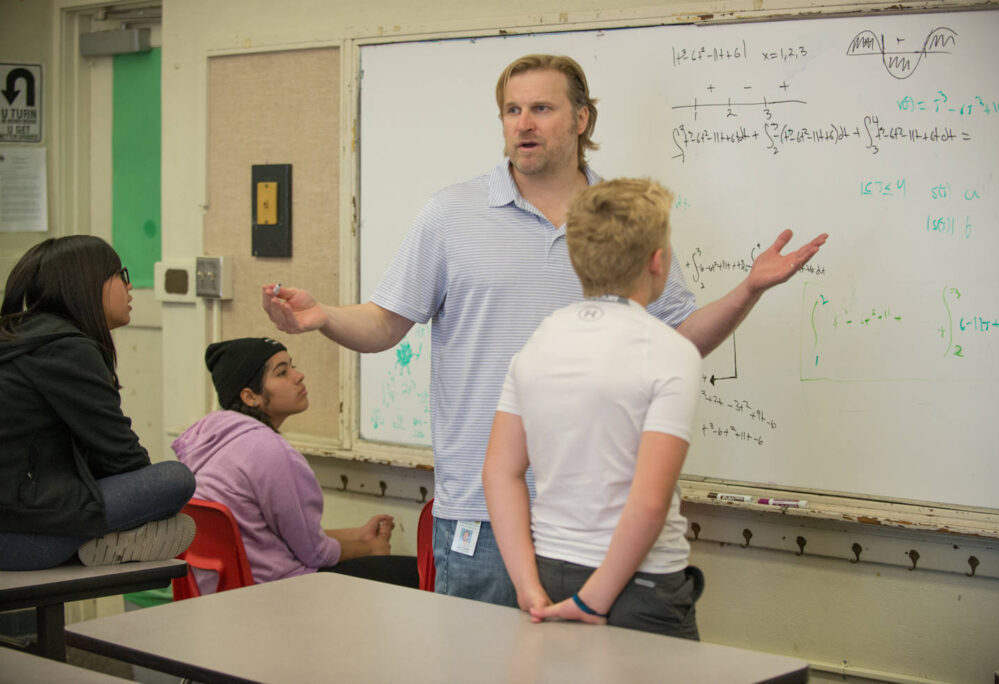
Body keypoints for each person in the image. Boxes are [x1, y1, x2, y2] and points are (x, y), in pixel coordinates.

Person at [261, 54, 827, 606]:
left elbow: (676, 340)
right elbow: (385, 324)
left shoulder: (620, 217)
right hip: (481, 516)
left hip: (599, 517)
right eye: (511, 110)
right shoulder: (451, 213)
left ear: (581, 119)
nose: (523, 123)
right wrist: (323, 316)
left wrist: (749, 289)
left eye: (541, 108)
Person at [484, 177, 703, 639]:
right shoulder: (669, 349)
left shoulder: (540, 339)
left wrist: (527, 585)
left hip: (548, 573)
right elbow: (648, 502)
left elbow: (499, 473)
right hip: (639, 588)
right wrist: (593, 600)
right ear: (657, 261)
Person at [0, 236, 196, 571]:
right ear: (87, 285)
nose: (130, 286)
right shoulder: (65, 348)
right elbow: (122, 457)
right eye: (120, 274)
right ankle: (98, 542)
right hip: (20, 540)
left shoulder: (21, 337)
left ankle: (103, 540)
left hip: (20, 523)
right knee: (175, 480)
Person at [172, 337, 418, 593]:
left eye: (293, 366)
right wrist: (370, 549)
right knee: (418, 575)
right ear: (250, 396)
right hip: (276, 595)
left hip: (220, 593)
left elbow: (280, 538)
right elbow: (315, 555)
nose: (298, 376)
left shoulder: (211, 442)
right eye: (282, 372)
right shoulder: (269, 450)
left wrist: (358, 535)